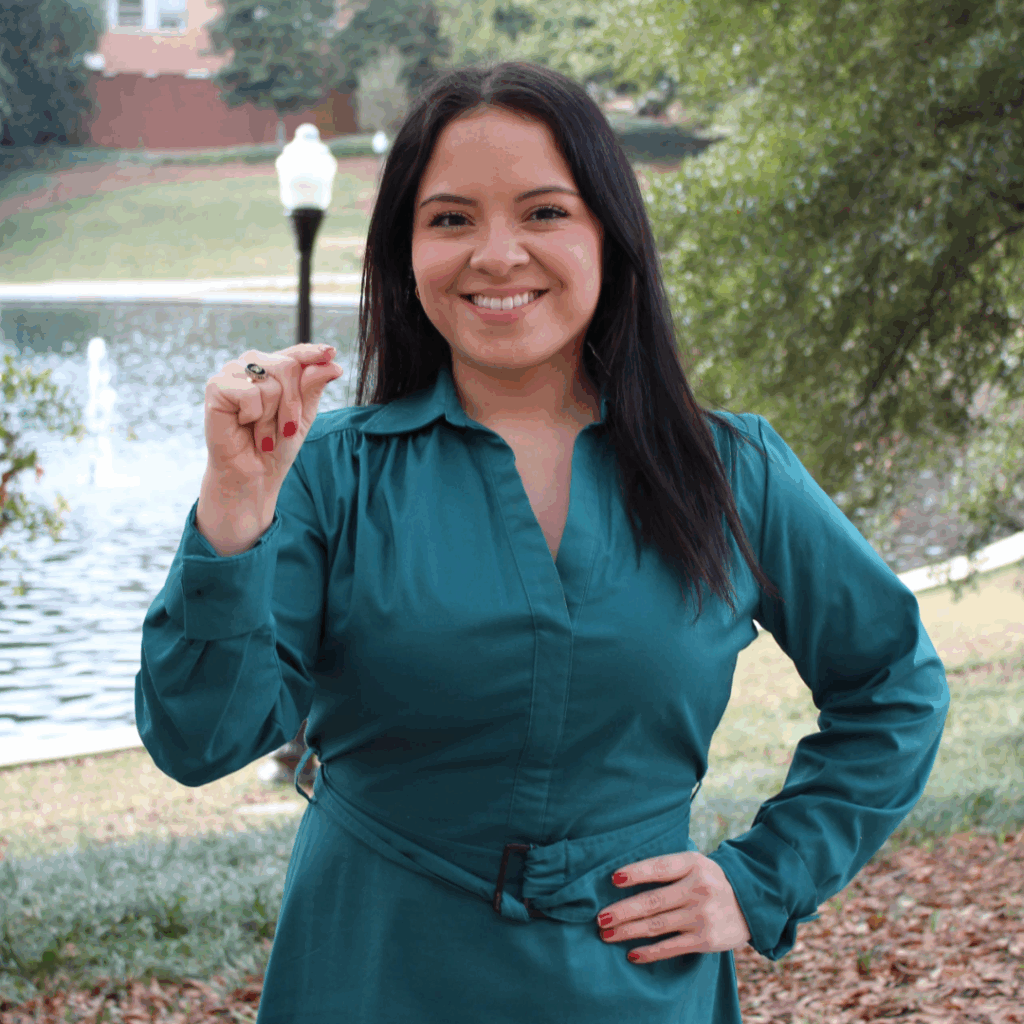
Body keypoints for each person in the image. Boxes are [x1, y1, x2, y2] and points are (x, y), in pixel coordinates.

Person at [135, 60, 950, 1024]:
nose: (496, 253)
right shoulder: (327, 474)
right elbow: (199, 742)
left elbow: (893, 682)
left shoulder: (733, 470)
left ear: (610, 233)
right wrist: (234, 506)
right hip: (373, 971)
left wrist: (763, 879)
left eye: (544, 212)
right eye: (449, 219)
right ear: (404, 253)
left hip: (636, 990)